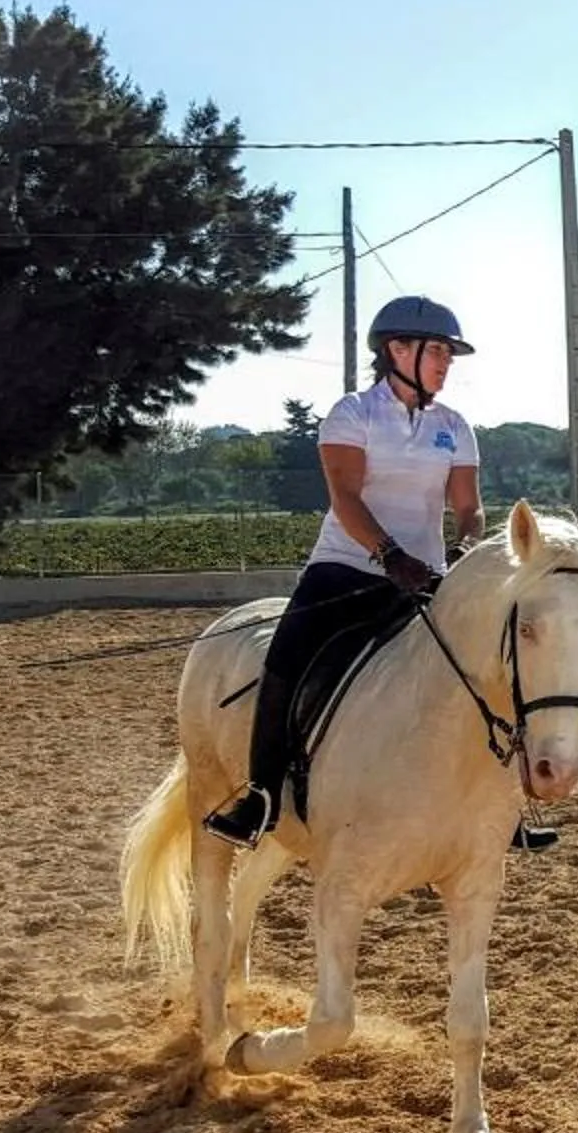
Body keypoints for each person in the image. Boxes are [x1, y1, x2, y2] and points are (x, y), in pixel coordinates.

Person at [202, 295, 485, 846]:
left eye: (450, 354)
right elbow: (347, 498)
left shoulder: (455, 425)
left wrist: (465, 545)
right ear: (397, 350)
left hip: (424, 578)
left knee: (482, 668)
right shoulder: (353, 414)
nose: (447, 362)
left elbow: (468, 507)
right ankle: (260, 796)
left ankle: (494, 808)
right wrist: (390, 554)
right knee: (286, 658)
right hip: (344, 568)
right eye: (438, 352)